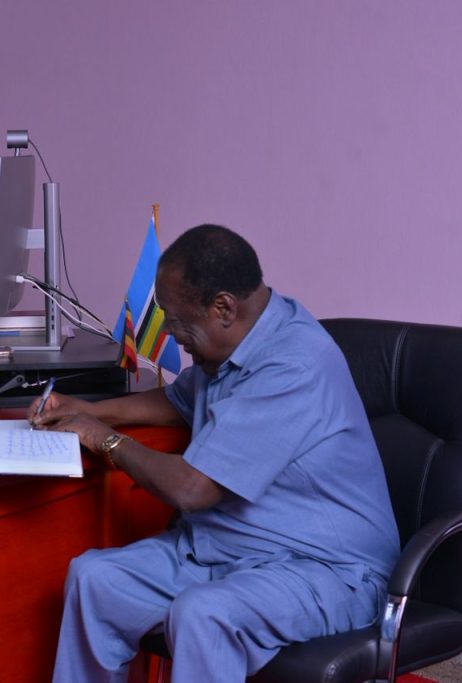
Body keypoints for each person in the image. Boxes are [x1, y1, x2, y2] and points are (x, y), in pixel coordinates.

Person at [30, 224, 399, 682]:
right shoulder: (231, 345)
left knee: (203, 614)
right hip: (225, 549)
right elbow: (179, 400)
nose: (174, 336)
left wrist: (105, 439)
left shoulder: (294, 363)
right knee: (94, 581)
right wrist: (90, 410)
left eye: (180, 323)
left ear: (223, 307)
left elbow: (193, 488)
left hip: (324, 570)